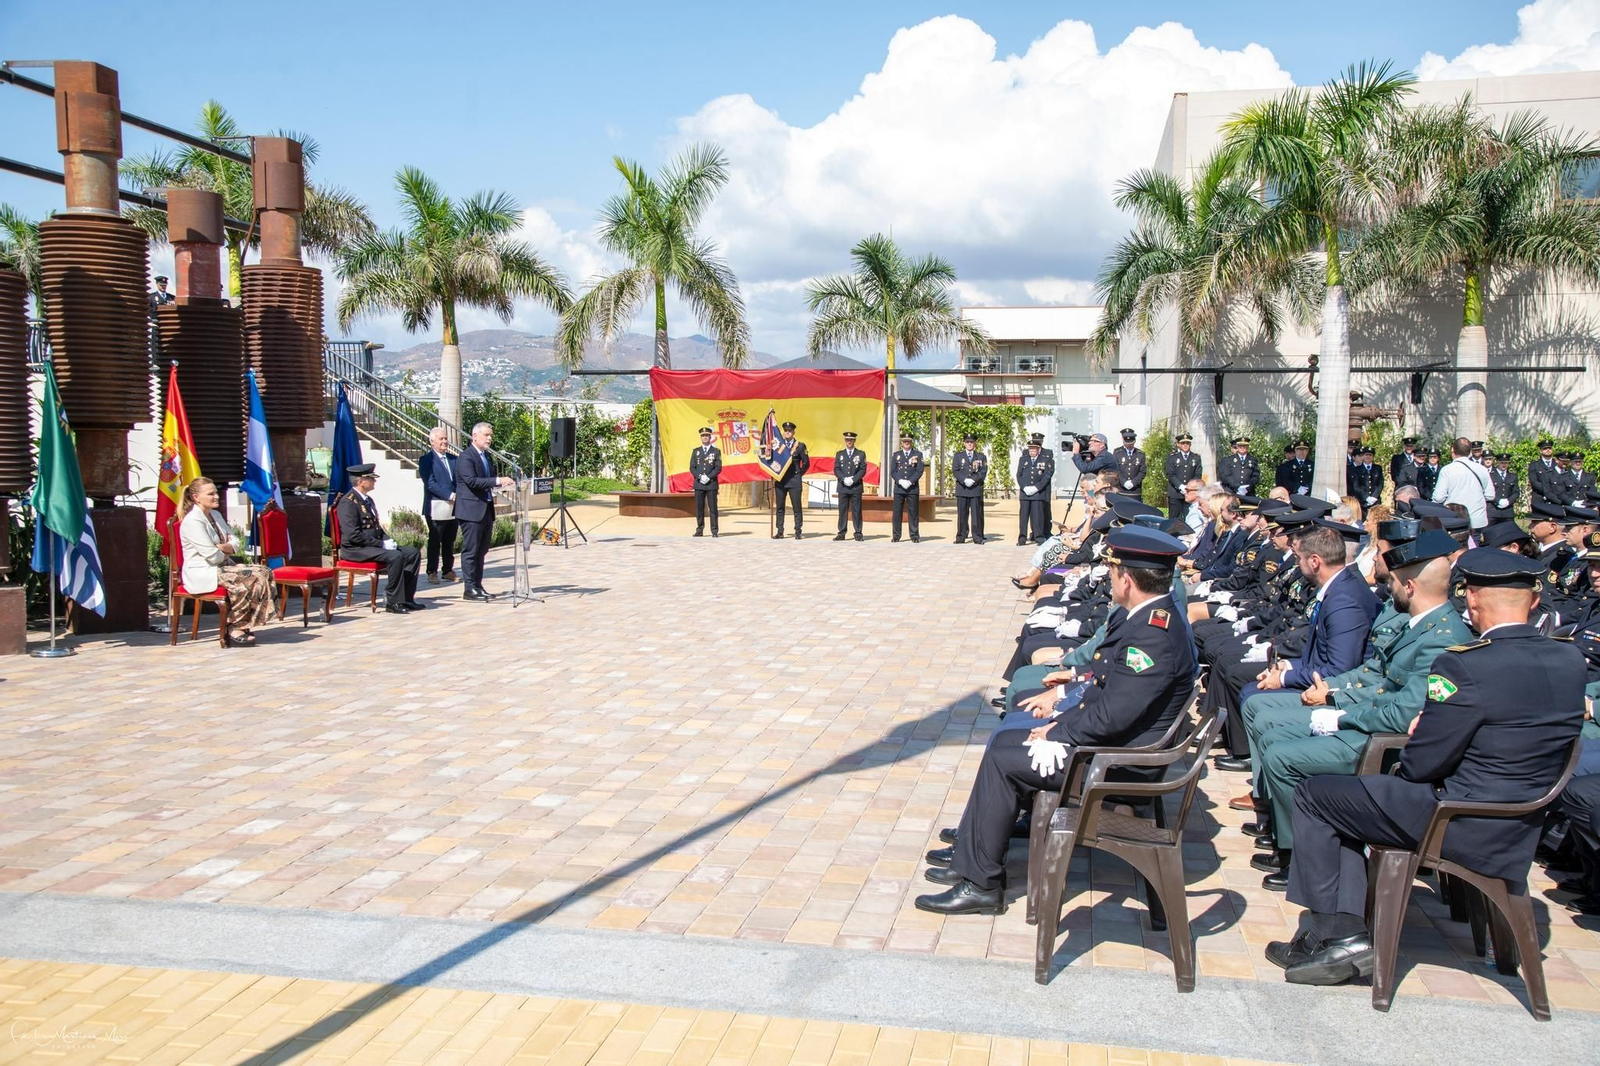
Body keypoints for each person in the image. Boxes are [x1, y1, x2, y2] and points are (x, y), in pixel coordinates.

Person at [1269, 549, 1584, 986]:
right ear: (1533, 602)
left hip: (1455, 819)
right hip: (1519, 823)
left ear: (1471, 600)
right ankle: (1340, 928)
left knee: (1316, 795)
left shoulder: (1465, 663)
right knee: (1345, 802)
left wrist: (1424, 729)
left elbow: (1420, 765)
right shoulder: (1569, 660)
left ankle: (1335, 932)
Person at [913, 527, 1197, 915]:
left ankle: (980, 883)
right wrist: (1062, 698)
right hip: (1109, 743)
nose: (1110, 579)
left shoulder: (1152, 634)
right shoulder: (1146, 618)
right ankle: (972, 851)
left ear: (1127, 580)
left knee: (1005, 757)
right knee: (1012, 726)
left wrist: (1058, 731)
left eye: (1113, 573)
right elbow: (1107, 680)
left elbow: (1115, 713)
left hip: (1119, 762)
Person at [1240, 531, 1469, 890]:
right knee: (1273, 732)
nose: (1386, 586)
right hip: (1367, 720)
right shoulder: (1421, 626)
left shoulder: (1441, 637)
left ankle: (1304, 859)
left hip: (1383, 742)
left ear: (1410, 587)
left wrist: (1341, 713)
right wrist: (1333, 690)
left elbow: (1403, 712)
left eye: (1393, 581)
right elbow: (1373, 675)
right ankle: (1295, 847)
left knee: (1281, 755)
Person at [178, 476, 280, 645]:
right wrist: (223, 548)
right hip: (205, 571)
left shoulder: (215, 515)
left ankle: (247, 622)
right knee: (248, 577)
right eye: (210, 494)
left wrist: (221, 546)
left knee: (264, 571)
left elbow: (237, 543)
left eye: (216, 492)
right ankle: (235, 626)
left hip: (224, 566)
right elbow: (213, 556)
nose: (216, 496)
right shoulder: (193, 521)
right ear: (196, 497)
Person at [337, 464, 424, 614]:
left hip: (372, 546)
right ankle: (393, 601)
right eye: (371, 479)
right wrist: (381, 544)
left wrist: (389, 540)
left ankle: (406, 598)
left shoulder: (367, 500)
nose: (374, 482)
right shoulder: (348, 502)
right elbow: (353, 535)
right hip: (356, 549)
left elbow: (376, 527)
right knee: (395, 556)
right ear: (361, 481)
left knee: (412, 553)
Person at [454, 421, 514, 601]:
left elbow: (486, 481)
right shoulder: (466, 457)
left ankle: (478, 586)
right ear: (475, 436)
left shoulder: (486, 457)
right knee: (471, 551)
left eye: (490, 435)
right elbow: (472, 481)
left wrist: (501, 485)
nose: (489, 438)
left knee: (482, 551)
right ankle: (469, 588)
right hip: (471, 512)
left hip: (485, 510)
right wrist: (497, 480)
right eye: (486, 435)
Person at [419, 427, 457, 584]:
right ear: (432, 441)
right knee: (436, 538)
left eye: (445, 438)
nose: (444, 442)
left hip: (454, 505)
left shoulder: (453, 459)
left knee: (450, 538)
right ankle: (432, 571)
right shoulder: (426, 460)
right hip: (436, 505)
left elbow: (458, 480)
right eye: (440, 439)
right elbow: (430, 483)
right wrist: (448, 495)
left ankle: (447, 570)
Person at [1431, 437, 1490, 531]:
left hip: (1455, 520)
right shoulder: (1482, 469)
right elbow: (1490, 495)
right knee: (1475, 545)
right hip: (1477, 520)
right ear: (1470, 451)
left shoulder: (1447, 470)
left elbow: (1438, 498)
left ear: (1452, 450)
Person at [772, 421, 810, 539]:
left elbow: (806, 463)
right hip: (781, 479)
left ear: (793, 432)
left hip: (794, 480)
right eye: (786, 430)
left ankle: (798, 531)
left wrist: (798, 473)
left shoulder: (800, 446)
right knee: (780, 507)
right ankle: (780, 531)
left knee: (796, 507)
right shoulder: (778, 445)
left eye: (789, 431)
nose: (787, 432)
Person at [1017, 433, 1055, 545]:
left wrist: (1036, 488)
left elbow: (1047, 475)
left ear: (1039, 449)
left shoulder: (1045, 458)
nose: (1032, 451)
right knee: (1023, 517)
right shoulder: (1023, 459)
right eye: (1030, 449)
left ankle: (1039, 537)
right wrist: (1024, 487)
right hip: (1025, 493)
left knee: (1037, 516)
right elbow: (1019, 475)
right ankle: (1022, 538)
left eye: (1034, 449)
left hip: (1038, 493)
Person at [890, 431, 924, 543]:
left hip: (912, 488)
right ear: (901, 442)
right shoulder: (896, 455)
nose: (906, 443)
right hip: (899, 488)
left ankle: (914, 535)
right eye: (905, 441)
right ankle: (896, 535)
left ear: (911, 442)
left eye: (908, 441)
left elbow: (919, 470)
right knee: (897, 512)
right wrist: (900, 481)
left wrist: (910, 481)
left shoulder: (918, 455)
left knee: (913, 512)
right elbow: (893, 471)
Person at [953, 433, 987, 545]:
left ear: (975, 444)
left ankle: (977, 536)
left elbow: (983, 472)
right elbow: (955, 470)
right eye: (967, 442)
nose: (969, 444)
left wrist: (973, 480)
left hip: (975, 489)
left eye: (971, 442)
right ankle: (961, 536)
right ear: (964, 443)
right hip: (962, 489)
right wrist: (964, 480)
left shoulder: (981, 457)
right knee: (962, 514)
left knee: (976, 515)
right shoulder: (958, 456)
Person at [833, 431, 867, 541]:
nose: (849, 441)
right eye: (847, 439)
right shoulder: (840, 454)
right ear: (844, 441)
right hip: (843, 486)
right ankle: (841, 533)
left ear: (854, 441)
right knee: (842, 510)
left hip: (855, 486)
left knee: (857, 510)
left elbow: (863, 469)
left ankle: (858, 533)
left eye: (851, 439)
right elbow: (836, 469)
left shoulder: (860, 454)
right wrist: (843, 479)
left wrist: (853, 479)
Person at [690, 426, 722, 537]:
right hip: (699, 484)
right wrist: (699, 476)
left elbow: (718, 467)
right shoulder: (696, 451)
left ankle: (714, 531)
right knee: (699, 508)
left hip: (711, 484)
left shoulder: (716, 451)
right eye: (703, 436)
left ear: (710, 437)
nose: (705, 438)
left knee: (713, 508)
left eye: (707, 436)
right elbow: (692, 467)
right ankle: (699, 529)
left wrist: (708, 477)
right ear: (701, 437)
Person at [1163, 433, 1203, 517]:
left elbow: (1198, 475)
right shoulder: (1172, 458)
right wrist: (1181, 486)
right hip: (1175, 493)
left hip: (1191, 493)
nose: (1185, 445)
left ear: (1190, 444)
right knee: (1174, 519)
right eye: (1183, 443)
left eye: (1187, 443)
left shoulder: (1196, 458)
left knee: (1190, 517)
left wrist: (1189, 488)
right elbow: (1171, 474)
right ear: (1178, 444)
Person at [1347, 446, 1383, 510]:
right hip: (1362, 501)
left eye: (1370, 455)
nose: (1368, 457)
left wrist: (1374, 497)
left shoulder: (1378, 468)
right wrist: (1366, 497)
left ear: (1373, 456)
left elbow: (1380, 484)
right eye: (1366, 455)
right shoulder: (1357, 469)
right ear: (1363, 456)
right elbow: (1356, 486)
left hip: (1375, 501)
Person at [1113, 428, 1146, 497]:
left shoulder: (1140, 454)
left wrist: (1134, 482)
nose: (1129, 445)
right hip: (1121, 489)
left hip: (1135, 490)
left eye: (1131, 443)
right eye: (1127, 442)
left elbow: (1142, 471)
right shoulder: (1117, 453)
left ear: (1134, 441)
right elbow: (1116, 470)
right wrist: (1123, 482)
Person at [1529, 439, 1562, 507]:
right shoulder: (1534, 465)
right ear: (1540, 451)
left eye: (1549, 448)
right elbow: (1534, 482)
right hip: (1540, 499)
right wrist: (1548, 491)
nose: (1548, 450)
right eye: (1545, 448)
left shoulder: (1558, 464)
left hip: (1556, 499)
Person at [1487, 452, 1518, 522]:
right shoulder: (1490, 476)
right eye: (1502, 463)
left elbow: (1516, 492)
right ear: (1498, 462)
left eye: (1506, 463)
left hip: (1508, 512)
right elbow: (1487, 492)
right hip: (1494, 511)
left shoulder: (1512, 476)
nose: (1504, 465)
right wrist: (1498, 500)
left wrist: (1508, 501)